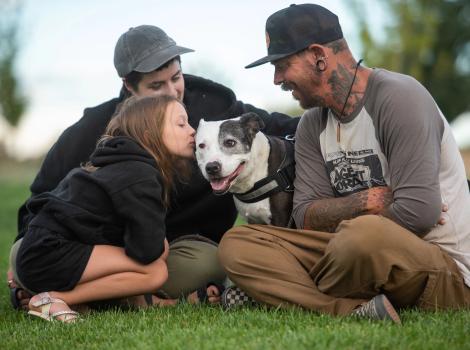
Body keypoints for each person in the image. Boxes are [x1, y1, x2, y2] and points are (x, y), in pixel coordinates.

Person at [7, 25, 299, 310]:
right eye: (157, 86)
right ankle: (120, 294)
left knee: (213, 261)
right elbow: (42, 196)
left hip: (177, 248)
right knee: (23, 253)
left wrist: (323, 122)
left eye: (176, 77)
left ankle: (78, 294)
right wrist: (24, 246)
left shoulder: (215, 109)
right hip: (95, 248)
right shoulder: (96, 129)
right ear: (129, 87)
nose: (172, 92)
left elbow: (277, 127)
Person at [218, 3, 470, 324]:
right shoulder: (311, 124)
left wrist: (348, 224)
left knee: (361, 236)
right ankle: (351, 310)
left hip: (441, 266)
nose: (277, 79)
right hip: (349, 250)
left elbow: (418, 212)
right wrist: (367, 200)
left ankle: (285, 289)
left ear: (318, 56)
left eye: (282, 65)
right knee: (238, 245)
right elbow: (305, 216)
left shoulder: (399, 97)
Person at [11, 95, 226, 323]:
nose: (192, 131)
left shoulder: (122, 164)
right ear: (149, 134)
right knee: (154, 272)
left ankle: (69, 300)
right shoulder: (140, 174)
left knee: (153, 263)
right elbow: (148, 251)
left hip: (39, 252)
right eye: (181, 124)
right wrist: (158, 245)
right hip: (49, 254)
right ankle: (54, 298)